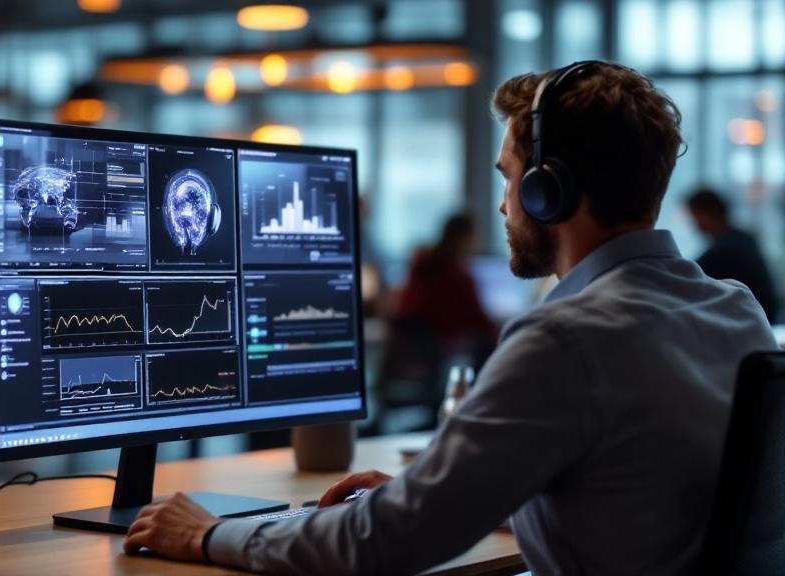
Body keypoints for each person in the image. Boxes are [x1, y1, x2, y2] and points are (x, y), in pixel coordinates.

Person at [121, 62, 778, 575]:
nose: (503, 205)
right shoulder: (732, 309)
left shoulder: (566, 339)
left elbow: (385, 544)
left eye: (508, 178)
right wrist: (441, 488)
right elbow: (637, 499)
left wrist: (207, 533)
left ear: (548, 191)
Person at [395, 213, 499, 366]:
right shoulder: (459, 277)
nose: (475, 244)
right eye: (473, 238)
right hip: (441, 349)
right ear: (462, 239)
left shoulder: (422, 264)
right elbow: (481, 323)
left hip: (411, 349)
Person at [686, 187, 779, 323]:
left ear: (707, 214)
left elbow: (687, 274)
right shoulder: (743, 238)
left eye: (695, 216)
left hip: (749, 322)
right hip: (761, 319)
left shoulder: (724, 249)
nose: (694, 224)